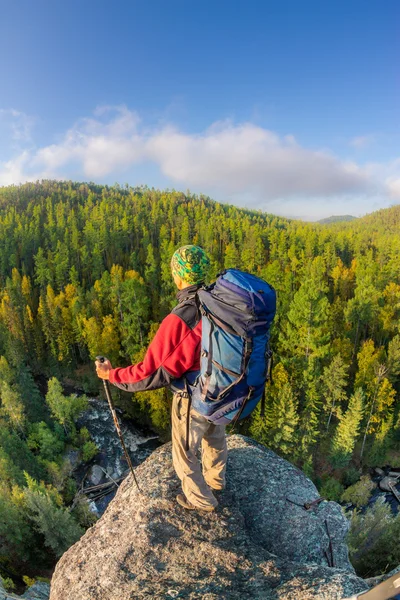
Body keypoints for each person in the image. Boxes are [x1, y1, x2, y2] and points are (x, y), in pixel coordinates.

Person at [95, 245, 227, 512]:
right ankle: (216, 481)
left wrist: (111, 375)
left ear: (178, 277)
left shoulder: (180, 319)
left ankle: (201, 501)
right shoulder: (220, 303)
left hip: (193, 397)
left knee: (184, 454)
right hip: (222, 388)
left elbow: (149, 372)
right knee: (215, 437)